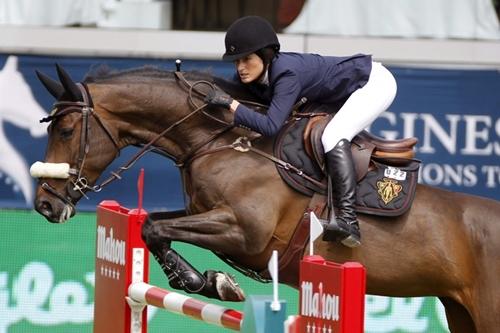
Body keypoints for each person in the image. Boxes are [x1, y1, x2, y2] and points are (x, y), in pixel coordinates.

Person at [204, 16, 397, 248]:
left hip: (374, 84)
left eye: (247, 59)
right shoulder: (257, 75)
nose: (241, 68)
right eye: (237, 61)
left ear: (265, 55)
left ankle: (347, 220)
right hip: (346, 90)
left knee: (333, 136)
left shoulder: (286, 74)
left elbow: (270, 126)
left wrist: (231, 105)